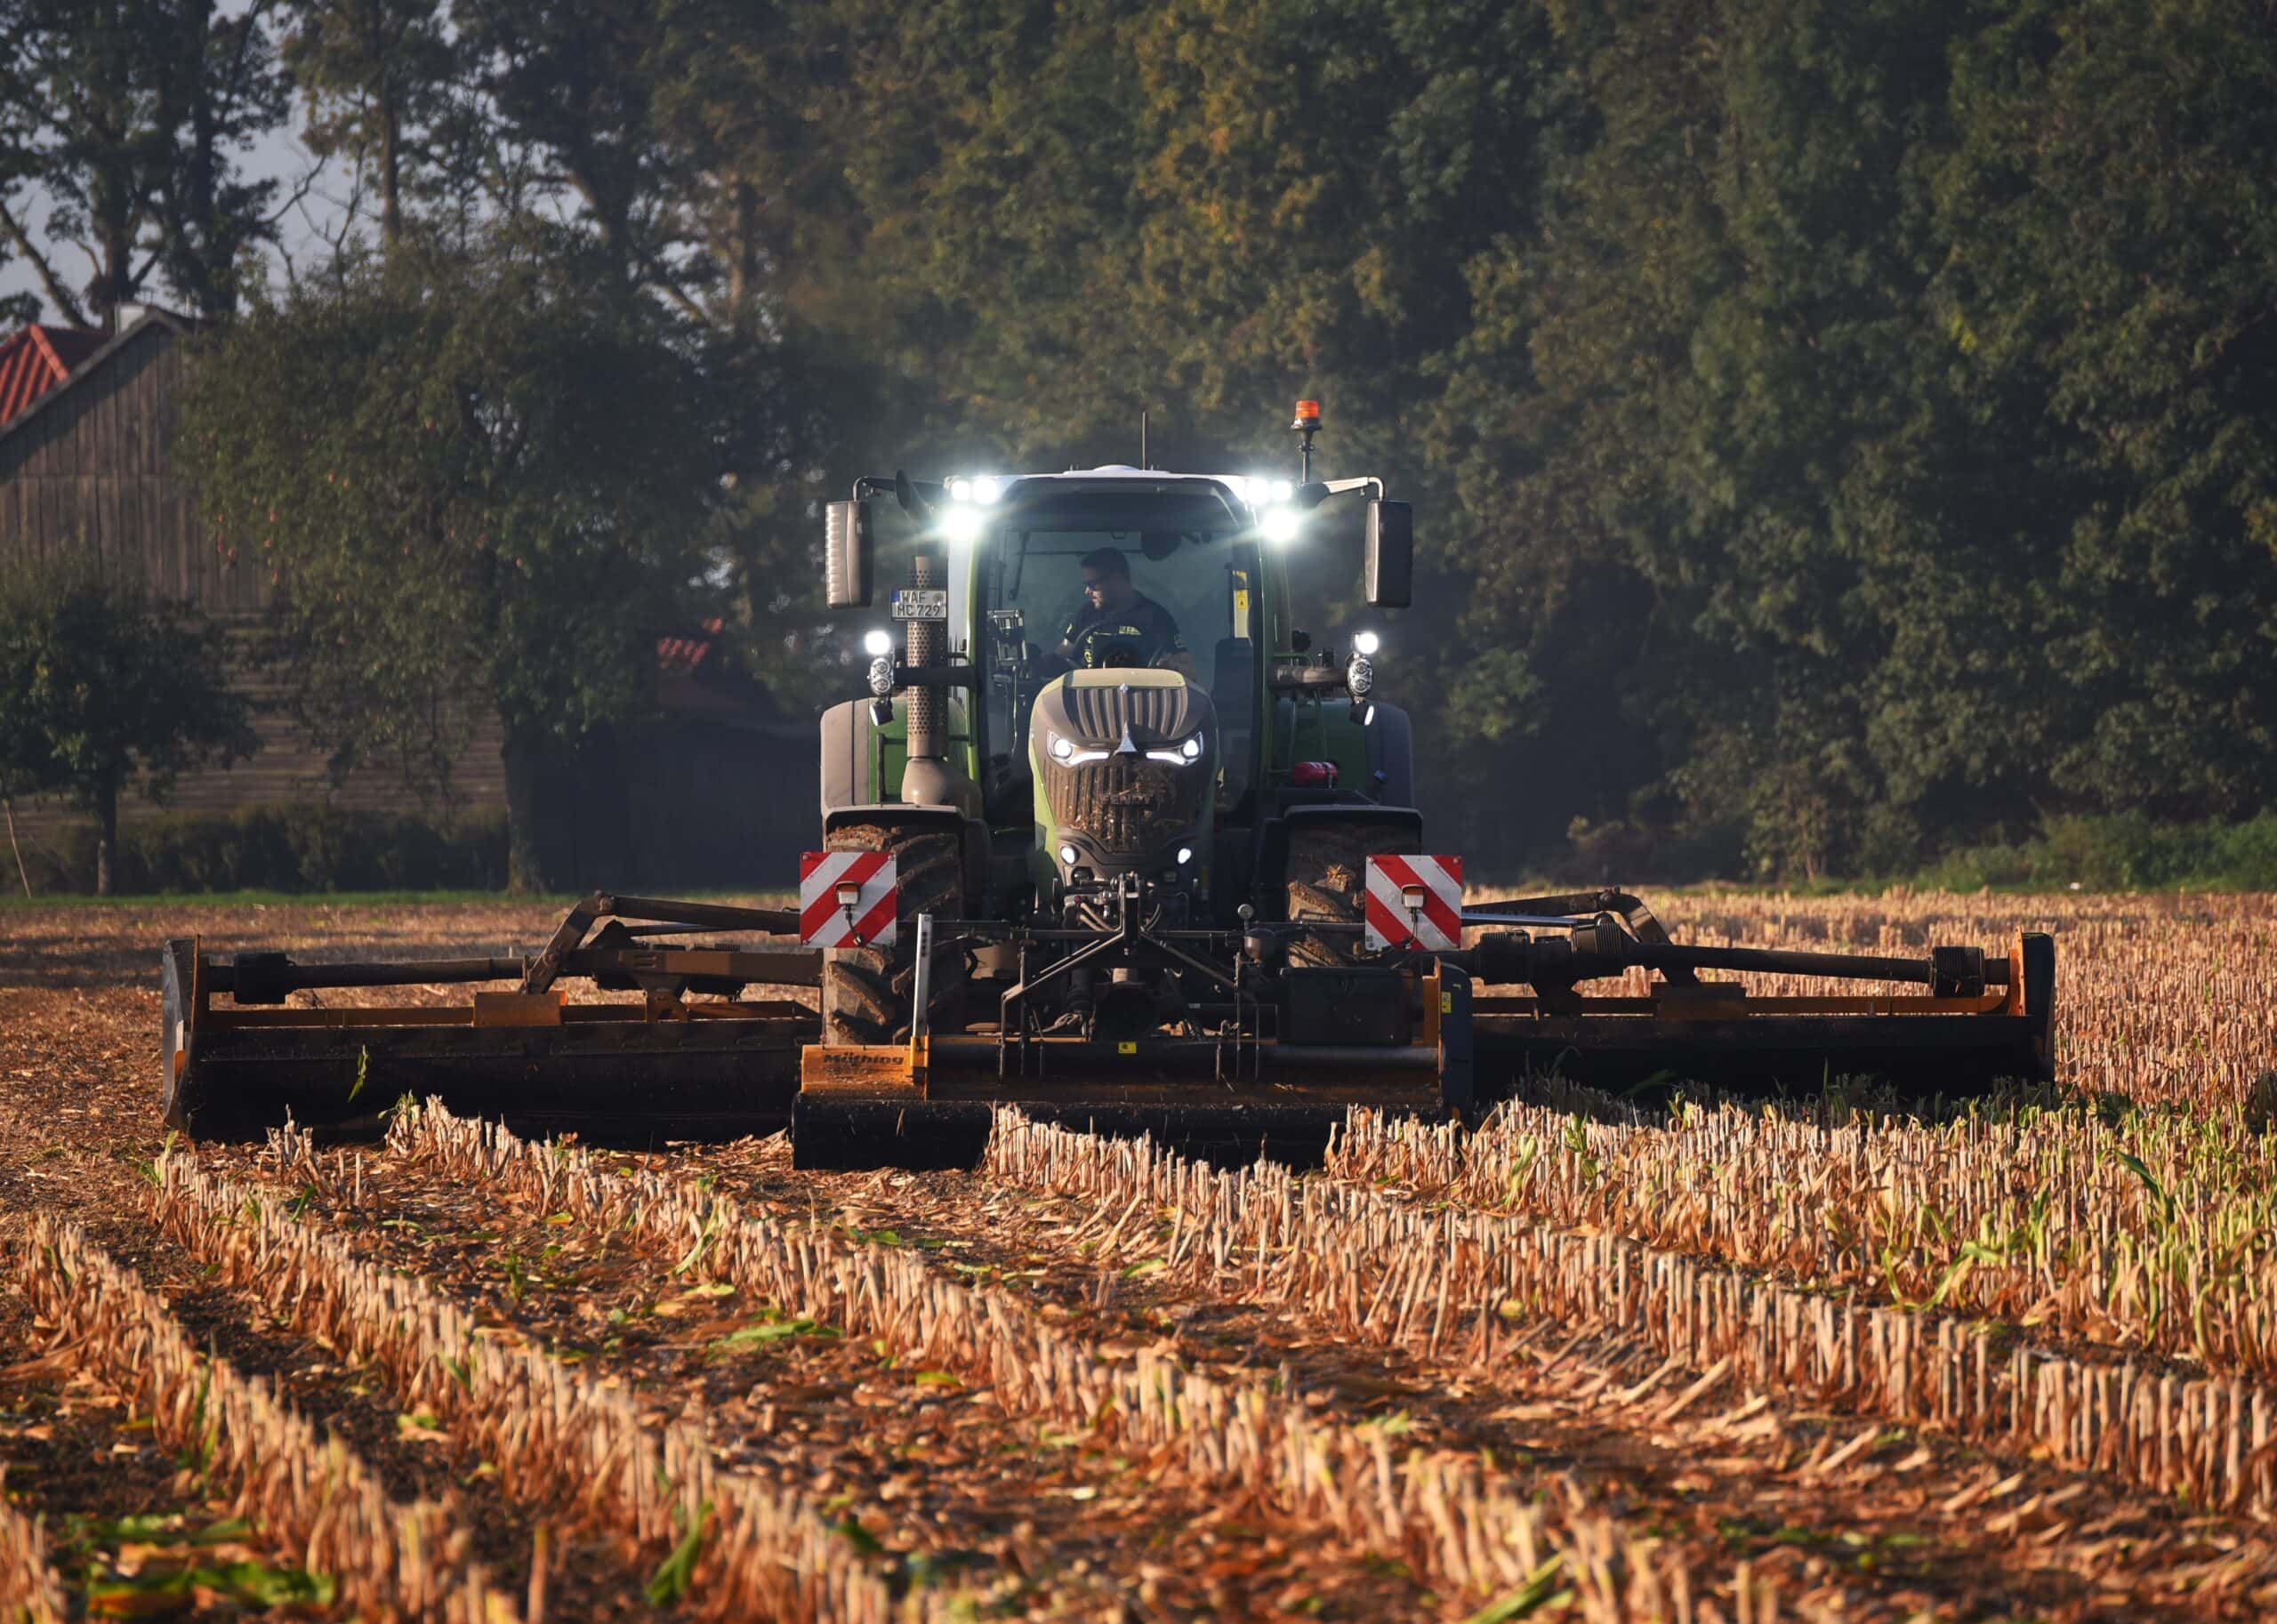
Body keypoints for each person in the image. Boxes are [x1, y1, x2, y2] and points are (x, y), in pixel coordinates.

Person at [1056, 547, 1194, 674]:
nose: (1087, 591)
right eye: (1086, 585)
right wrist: (1042, 664)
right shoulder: (1087, 614)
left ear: (1117, 579)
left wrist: (1170, 668)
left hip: (1145, 698)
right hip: (1088, 698)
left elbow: (1187, 670)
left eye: (1092, 585)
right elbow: (1064, 654)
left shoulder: (1156, 617)